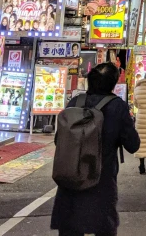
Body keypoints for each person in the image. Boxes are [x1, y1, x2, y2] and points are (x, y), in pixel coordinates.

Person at [51, 63, 140, 236]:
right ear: (113, 84)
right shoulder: (117, 106)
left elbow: (58, 140)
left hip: (70, 182)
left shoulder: (75, 102)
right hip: (101, 183)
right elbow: (133, 145)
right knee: (104, 229)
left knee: (69, 230)